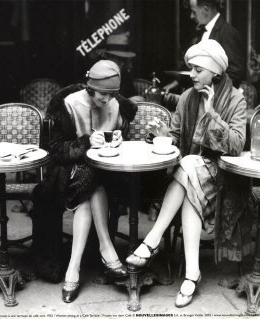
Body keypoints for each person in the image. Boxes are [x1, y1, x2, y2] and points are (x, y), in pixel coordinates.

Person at [126, 39, 248, 308]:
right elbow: (177, 135)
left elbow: (237, 145)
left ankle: (152, 240)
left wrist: (212, 112)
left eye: (197, 70)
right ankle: (192, 273)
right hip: (193, 174)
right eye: (190, 68)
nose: (191, 75)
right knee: (190, 171)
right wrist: (162, 135)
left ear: (215, 72)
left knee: (188, 166)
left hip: (225, 175)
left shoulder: (237, 100)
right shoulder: (186, 97)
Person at [31, 60, 137, 303]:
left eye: (112, 95)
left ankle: (73, 269)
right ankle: (106, 248)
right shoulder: (68, 104)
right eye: (102, 94)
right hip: (66, 173)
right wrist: (86, 142)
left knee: (93, 188)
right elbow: (54, 150)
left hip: (104, 173)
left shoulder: (115, 104)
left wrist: (118, 138)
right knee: (92, 184)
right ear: (90, 87)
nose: (106, 100)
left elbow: (120, 136)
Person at [164, 0, 245, 93]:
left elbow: (235, 73)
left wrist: (212, 92)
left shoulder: (228, 33)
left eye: (194, 12)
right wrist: (177, 82)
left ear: (206, 9)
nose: (191, 16)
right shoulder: (199, 32)